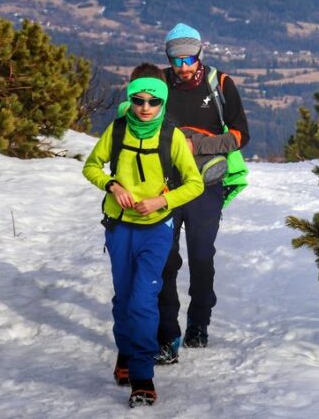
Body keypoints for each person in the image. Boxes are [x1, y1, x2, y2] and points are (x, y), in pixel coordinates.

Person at [83, 63, 203, 408]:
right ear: (131, 100)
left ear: (163, 102)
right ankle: (126, 352)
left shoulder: (171, 136)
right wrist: (111, 184)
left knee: (142, 300)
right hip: (119, 227)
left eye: (153, 101)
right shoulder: (118, 129)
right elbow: (91, 166)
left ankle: (142, 376)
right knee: (123, 299)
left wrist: (161, 200)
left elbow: (194, 184)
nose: (145, 107)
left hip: (156, 230)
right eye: (139, 100)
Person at [155, 23, 250, 363]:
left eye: (189, 59)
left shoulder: (221, 84)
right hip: (166, 185)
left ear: (200, 53)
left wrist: (197, 143)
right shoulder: (160, 85)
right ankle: (167, 333)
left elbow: (241, 135)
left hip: (206, 186)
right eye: (176, 60)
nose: (183, 68)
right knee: (165, 260)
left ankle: (199, 323)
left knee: (200, 256)